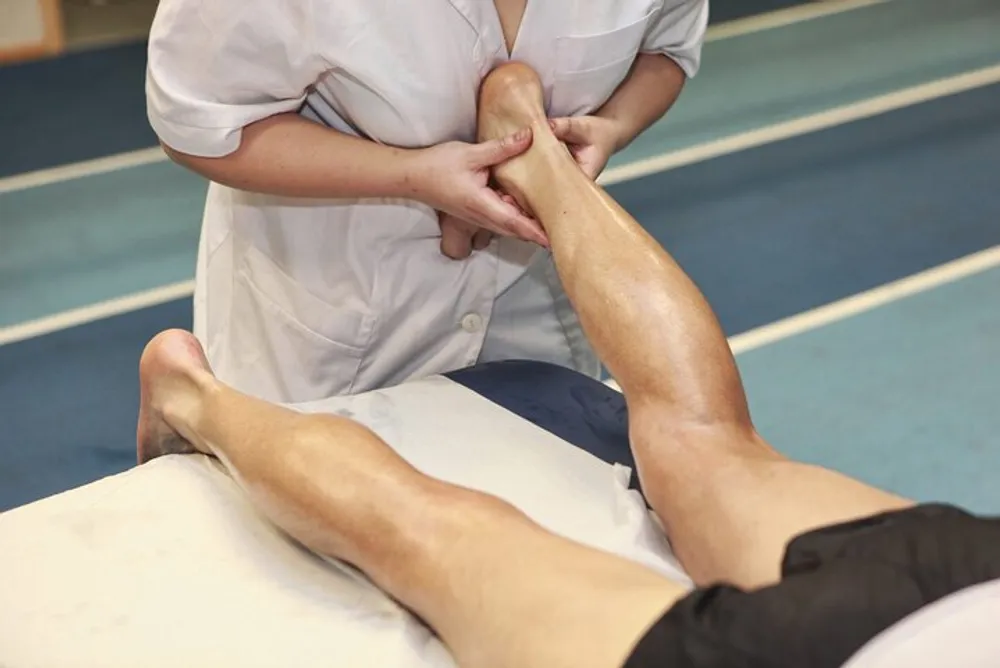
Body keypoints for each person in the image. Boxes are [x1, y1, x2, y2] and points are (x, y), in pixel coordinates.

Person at [136, 63, 1000, 668]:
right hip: (851, 648)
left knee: (708, 441)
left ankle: (535, 153)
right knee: (432, 537)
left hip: (971, 585)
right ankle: (194, 393)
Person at [145, 0, 709, 404]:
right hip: (335, 310)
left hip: (532, 300)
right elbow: (199, 124)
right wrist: (410, 176)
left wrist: (609, 128)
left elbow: (667, 47)